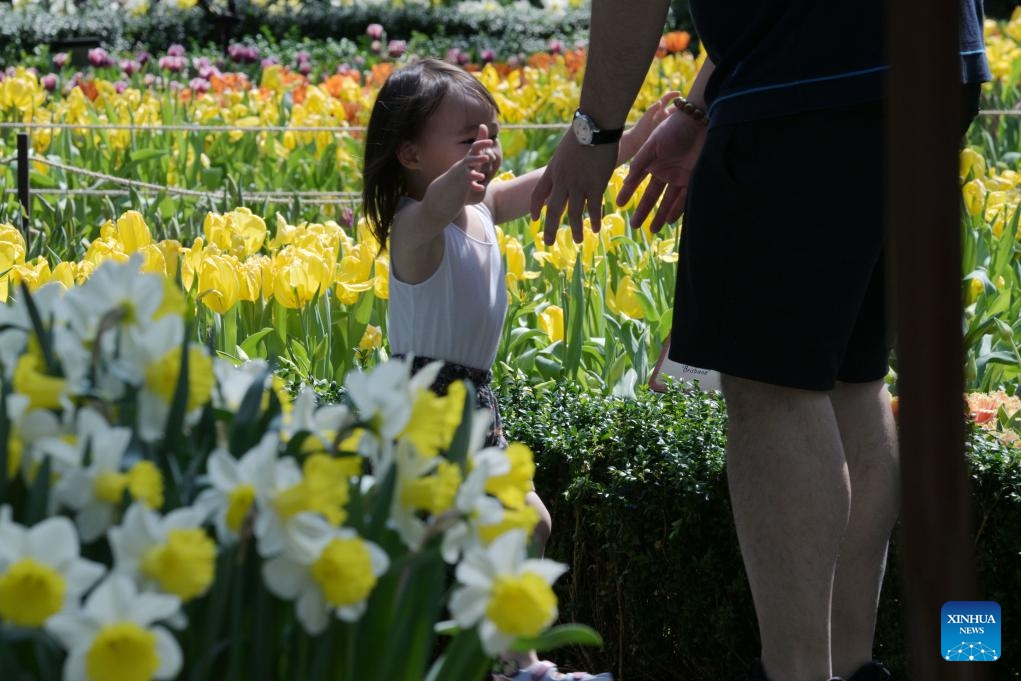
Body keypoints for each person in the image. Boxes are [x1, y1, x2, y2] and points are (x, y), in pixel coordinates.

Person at [529, 3, 991, 681]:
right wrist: (696, 109)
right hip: (930, 58)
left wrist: (594, 130)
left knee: (773, 387)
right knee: (849, 378)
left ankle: (799, 673)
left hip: (805, 79)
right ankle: (846, 665)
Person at [362, 57, 675, 681]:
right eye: (468, 138)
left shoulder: (483, 212)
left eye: (492, 135)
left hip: (473, 398)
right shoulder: (411, 228)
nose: (487, 149)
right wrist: (465, 176)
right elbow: (435, 208)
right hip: (423, 401)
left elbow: (551, 181)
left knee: (518, 524)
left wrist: (629, 144)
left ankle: (515, 663)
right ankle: (411, 659)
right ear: (409, 154)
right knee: (423, 551)